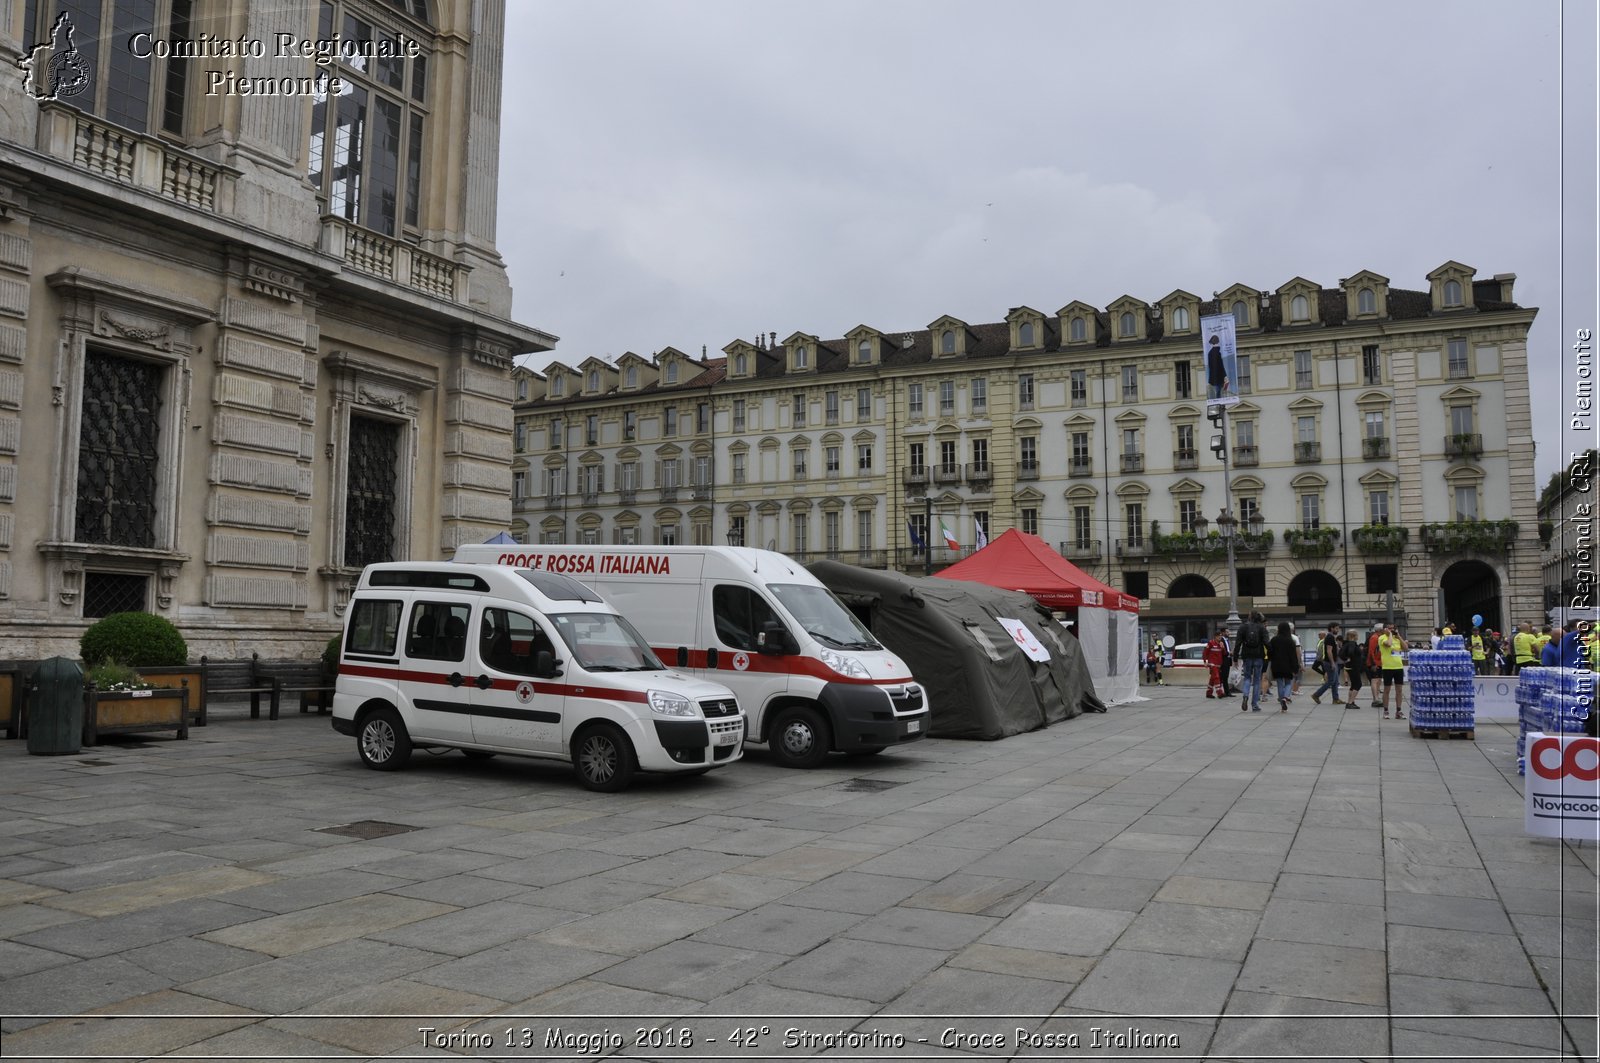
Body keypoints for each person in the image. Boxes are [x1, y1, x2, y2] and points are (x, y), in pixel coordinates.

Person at [1236, 610, 1269, 712]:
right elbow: (1266, 643)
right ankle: (1254, 704)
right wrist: (1272, 654)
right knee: (1257, 680)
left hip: (1247, 655)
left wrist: (1235, 658)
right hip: (1259, 656)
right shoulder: (1262, 628)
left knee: (1247, 678)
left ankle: (1245, 696)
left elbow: (1238, 643)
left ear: (1249, 617)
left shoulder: (1243, 627)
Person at [1377, 621, 1407, 719]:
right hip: (1388, 667)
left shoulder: (1396, 638)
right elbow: (1389, 644)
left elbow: (1406, 648)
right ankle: (1386, 710)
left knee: (1399, 690)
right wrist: (1389, 634)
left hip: (1398, 666)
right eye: (1389, 628)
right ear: (1384, 629)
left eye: (1392, 628)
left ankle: (1399, 710)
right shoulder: (1382, 638)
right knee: (1387, 690)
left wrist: (1399, 637)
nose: (1391, 630)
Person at [1268, 621, 1300, 713]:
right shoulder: (1290, 641)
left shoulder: (1274, 639)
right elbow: (1293, 656)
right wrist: (1295, 667)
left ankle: (1281, 700)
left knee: (1279, 684)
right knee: (1288, 683)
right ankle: (1285, 698)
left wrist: (1270, 660)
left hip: (1276, 665)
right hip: (1288, 665)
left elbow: (1270, 652)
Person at [1310, 621, 1343, 705]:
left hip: (1332, 661)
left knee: (1335, 681)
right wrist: (1332, 663)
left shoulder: (1331, 637)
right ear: (1331, 628)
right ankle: (1316, 695)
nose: (1338, 630)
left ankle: (1336, 699)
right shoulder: (1329, 637)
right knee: (1331, 681)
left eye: (1338, 628)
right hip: (1329, 662)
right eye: (1336, 628)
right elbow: (1329, 651)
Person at [1342, 630, 1367, 708]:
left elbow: (1340, 654)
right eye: (1357, 635)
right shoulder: (1352, 644)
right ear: (1353, 636)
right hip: (1354, 666)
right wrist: (1349, 658)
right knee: (1358, 684)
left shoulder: (1346, 643)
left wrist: (1346, 659)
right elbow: (1350, 652)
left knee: (1353, 685)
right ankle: (1350, 702)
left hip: (1350, 666)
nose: (1358, 636)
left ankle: (1350, 702)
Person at [1203, 629, 1227, 699]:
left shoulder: (1221, 644)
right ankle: (1219, 692)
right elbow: (1205, 653)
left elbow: (1224, 654)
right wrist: (1205, 662)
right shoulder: (1211, 643)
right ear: (1215, 636)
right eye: (1219, 636)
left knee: (1212, 679)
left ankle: (1209, 693)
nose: (1220, 637)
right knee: (1216, 677)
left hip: (1219, 664)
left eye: (1221, 636)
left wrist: (1223, 648)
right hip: (1212, 664)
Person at [1366, 623, 1385, 708]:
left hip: (1379, 662)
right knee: (1375, 680)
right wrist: (1373, 663)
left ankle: (1377, 698)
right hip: (1375, 662)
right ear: (1380, 630)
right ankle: (1375, 698)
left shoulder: (1379, 637)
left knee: (1378, 680)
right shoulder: (1374, 638)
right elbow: (1371, 651)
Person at [1206, 333, 1229, 400]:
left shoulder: (1210, 353)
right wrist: (1225, 376)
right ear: (1217, 341)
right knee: (1219, 394)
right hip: (1219, 377)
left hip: (1213, 377)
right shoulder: (1217, 352)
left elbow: (1210, 366)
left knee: (1217, 393)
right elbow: (1221, 366)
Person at [1289, 621, 1304, 696]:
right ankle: (1295, 690)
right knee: (1297, 676)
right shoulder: (1295, 637)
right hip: (1294, 660)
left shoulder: (1279, 637)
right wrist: (1300, 663)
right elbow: (1298, 651)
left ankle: (1287, 692)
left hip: (1285, 661)